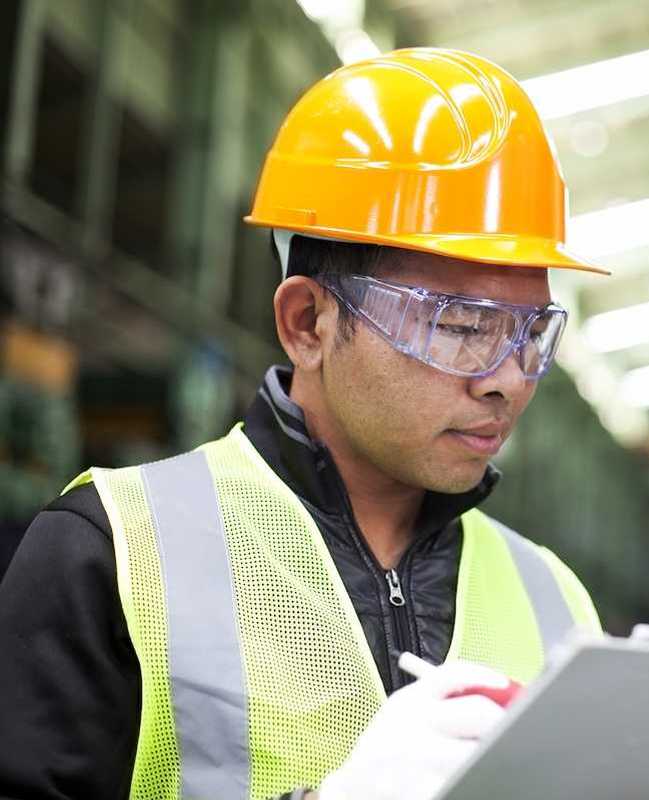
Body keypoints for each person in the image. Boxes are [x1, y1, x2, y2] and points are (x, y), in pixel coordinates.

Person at [0, 47, 607, 800]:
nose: (508, 379)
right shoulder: (116, 554)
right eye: (460, 326)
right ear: (308, 323)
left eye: (531, 333)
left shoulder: (556, 600)